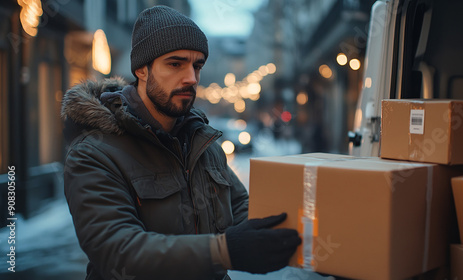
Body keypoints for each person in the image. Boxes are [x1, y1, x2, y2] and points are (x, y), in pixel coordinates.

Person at [61, 5, 301, 280]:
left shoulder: (204, 144)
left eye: (197, 65)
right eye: (175, 64)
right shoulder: (94, 152)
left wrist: (317, 241)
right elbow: (117, 251)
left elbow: (244, 213)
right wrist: (223, 251)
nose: (191, 78)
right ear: (142, 69)